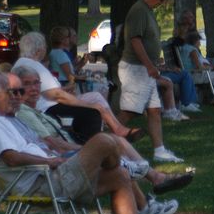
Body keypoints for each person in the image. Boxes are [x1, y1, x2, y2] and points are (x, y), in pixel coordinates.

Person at [0, 68, 174, 214]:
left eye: (18, 92)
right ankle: (128, 167)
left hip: (54, 174)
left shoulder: (10, 118)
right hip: (41, 183)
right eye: (11, 92)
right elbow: (11, 158)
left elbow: (42, 143)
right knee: (104, 140)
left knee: (119, 175)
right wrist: (48, 161)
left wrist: (57, 153)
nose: (17, 97)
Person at [12, 64, 194, 195]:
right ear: (16, 89)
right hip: (59, 166)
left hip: (65, 157)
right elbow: (53, 144)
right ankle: (149, 186)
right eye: (27, 84)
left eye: (37, 83)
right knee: (111, 148)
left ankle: (151, 185)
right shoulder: (23, 112)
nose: (35, 89)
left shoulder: (36, 111)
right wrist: (88, 150)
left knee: (116, 146)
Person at [14, 32, 142, 144]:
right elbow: (56, 96)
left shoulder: (24, 63)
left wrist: (65, 89)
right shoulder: (32, 65)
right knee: (94, 110)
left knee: (96, 98)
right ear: (39, 50)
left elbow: (48, 92)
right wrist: (87, 105)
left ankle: (116, 130)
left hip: (51, 104)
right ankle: (105, 139)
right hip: (49, 109)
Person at [117, 0, 183, 163]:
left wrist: (154, 64)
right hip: (136, 69)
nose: (163, 1)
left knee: (154, 110)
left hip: (146, 69)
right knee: (130, 111)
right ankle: (104, 141)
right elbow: (135, 40)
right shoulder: (138, 10)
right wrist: (149, 65)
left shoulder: (148, 11)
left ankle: (159, 150)